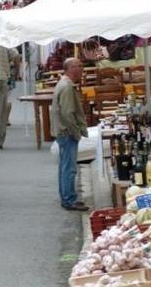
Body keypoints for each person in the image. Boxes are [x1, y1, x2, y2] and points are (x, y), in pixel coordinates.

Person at [51, 58, 89, 211]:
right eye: (80, 66)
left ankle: (67, 196)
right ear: (72, 68)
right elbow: (67, 113)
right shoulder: (67, 86)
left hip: (63, 131)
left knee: (65, 167)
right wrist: (75, 132)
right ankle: (69, 199)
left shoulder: (64, 84)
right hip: (67, 132)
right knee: (69, 167)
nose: (82, 69)